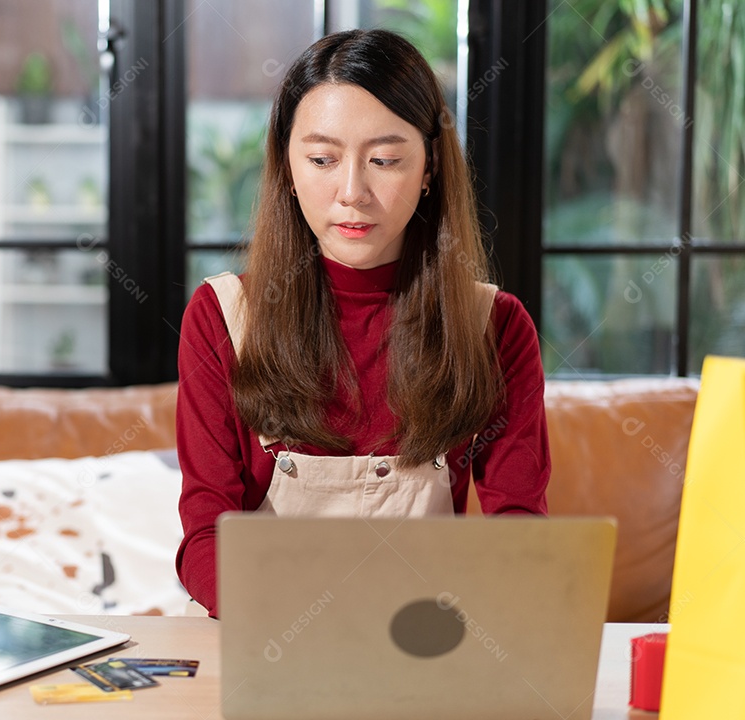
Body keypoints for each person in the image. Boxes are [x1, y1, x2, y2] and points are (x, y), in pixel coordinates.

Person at [175, 29, 549, 617]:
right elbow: (204, 539)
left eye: (385, 160)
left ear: (428, 168)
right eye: (322, 159)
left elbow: (518, 534)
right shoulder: (222, 318)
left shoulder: (492, 328)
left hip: (420, 652)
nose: (352, 192)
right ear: (288, 167)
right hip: (265, 643)